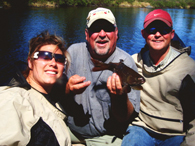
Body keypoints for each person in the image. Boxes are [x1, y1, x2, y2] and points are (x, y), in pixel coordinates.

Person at [63, 7, 140, 145]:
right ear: (87, 34)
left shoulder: (126, 63)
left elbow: (125, 117)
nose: (102, 34)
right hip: (69, 132)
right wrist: (67, 89)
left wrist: (119, 98)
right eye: (96, 29)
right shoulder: (73, 53)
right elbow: (56, 94)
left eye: (108, 28)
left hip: (105, 138)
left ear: (116, 33)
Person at [122, 9, 195, 146]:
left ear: (172, 34)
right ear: (143, 34)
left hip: (175, 134)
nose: (157, 34)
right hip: (141, 128)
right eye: (152, 29)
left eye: (163, 30)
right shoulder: (133, 62)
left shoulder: (189, 69)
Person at [0, 31, 71, 146]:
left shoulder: (54, 100)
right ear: (30, 62)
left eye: (59, 59)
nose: (53, 63)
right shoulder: (13, 99)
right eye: (44, 56)